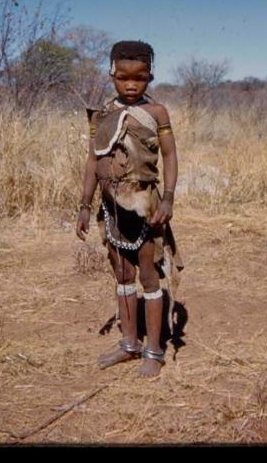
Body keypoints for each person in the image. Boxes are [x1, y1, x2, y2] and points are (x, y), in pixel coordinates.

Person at [76, 40, 184, 378]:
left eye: (140, 78)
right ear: (112, 75)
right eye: (123, 78)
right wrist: (84, 204)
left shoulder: (156, 114)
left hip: (145, 208)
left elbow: (169, 156)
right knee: (122, 274)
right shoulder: (103, 115)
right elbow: (94, 160)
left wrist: (167, 199)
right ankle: (129, 343)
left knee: (149, 276)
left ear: (150, 77)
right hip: (110, 211)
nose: (132, 85)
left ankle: (154, 350)